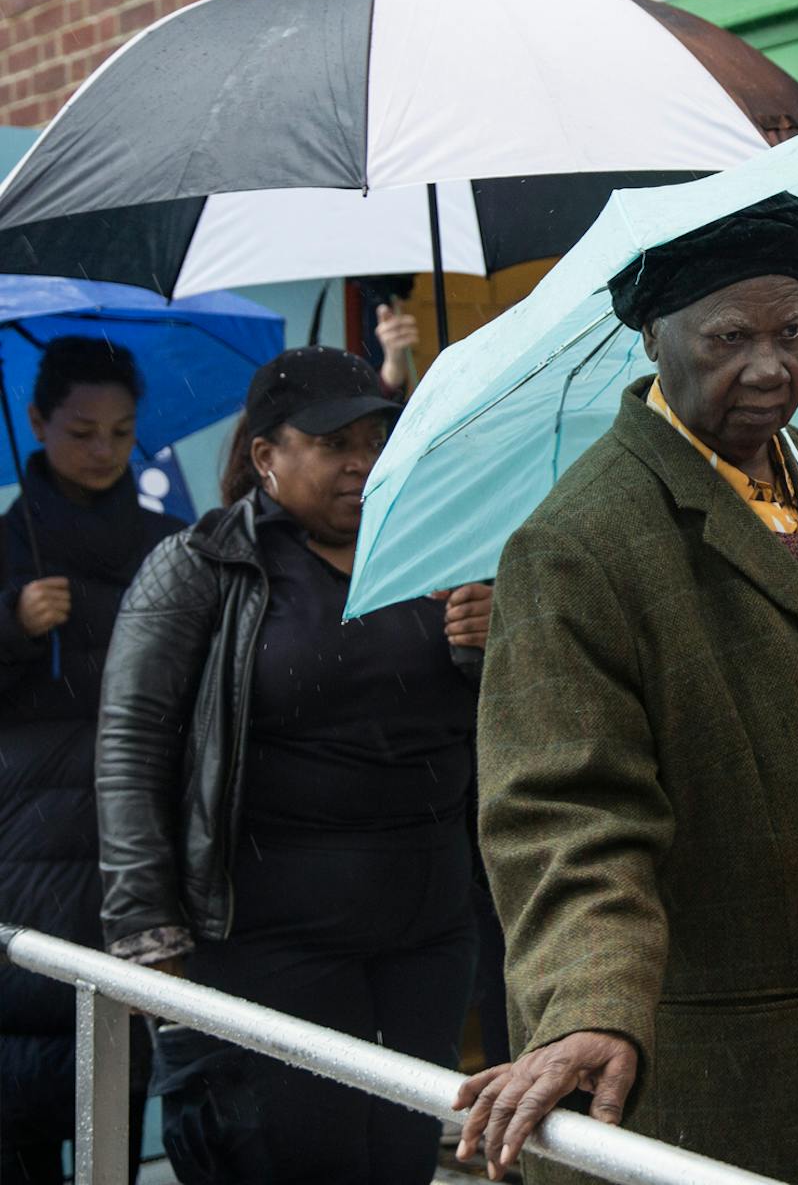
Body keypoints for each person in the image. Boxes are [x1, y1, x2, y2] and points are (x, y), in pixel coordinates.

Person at [454, 192, 798, 1184]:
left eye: (792, 330)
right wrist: (586, 1004)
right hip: (736, 1066)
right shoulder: (577, 546)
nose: (771, 365)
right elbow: (566, 820)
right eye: (730, 336)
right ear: (655, 335)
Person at [97, 347, 495, 1185]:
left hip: (428, 930)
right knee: (291, 1159)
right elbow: (132, 744)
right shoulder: (203, 566)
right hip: (270, 935)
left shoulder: (438, 556)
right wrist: (143, 923)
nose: (362, 461)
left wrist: (490, 645)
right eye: (332, 442)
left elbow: (502, 727)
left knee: (395, 1160)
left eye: (376, 438)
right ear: (266, 457)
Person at [0, 339, 178, 1185]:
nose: (104, 450)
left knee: (119, 1069)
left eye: (120, 431)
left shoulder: (172, 548)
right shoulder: (9, 553)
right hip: (21, 847)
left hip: (132, 841)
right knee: (17, 1094)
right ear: (36, 421)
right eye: (81, 431)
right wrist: (11, 626)